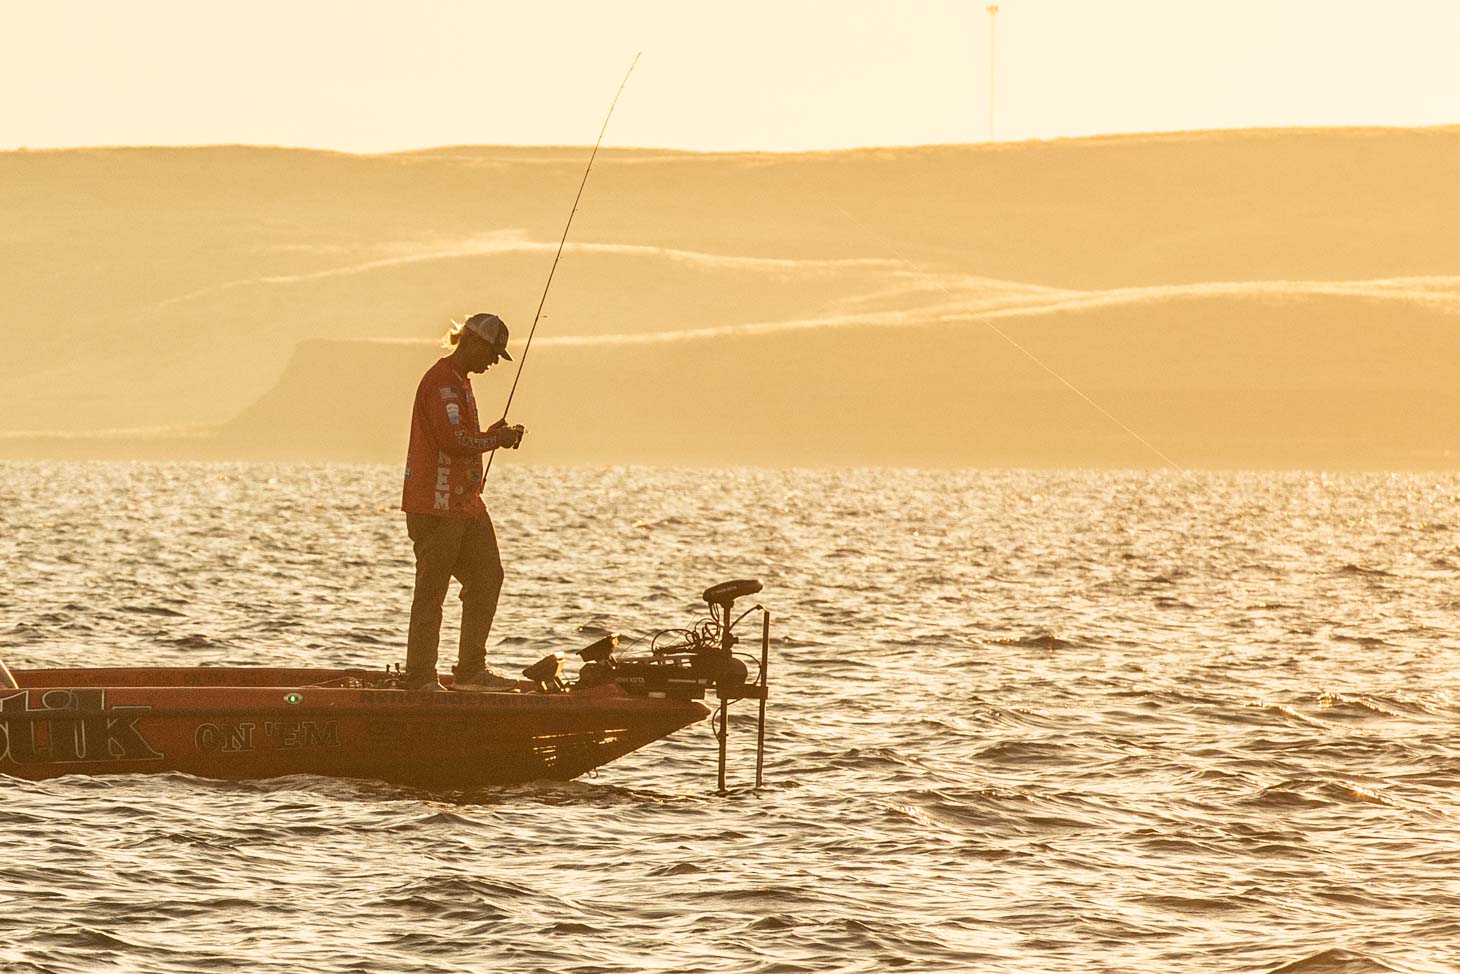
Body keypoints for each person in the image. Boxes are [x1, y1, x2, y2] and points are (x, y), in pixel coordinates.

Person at [400, 312, 527, 692]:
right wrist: (496, 440)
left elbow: (462, 437)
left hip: (465, 505)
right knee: (432, 591)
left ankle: (471, 670)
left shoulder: (460, 382)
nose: (493, 363)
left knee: (488, 577)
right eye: (491, 354)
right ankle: (420, 677)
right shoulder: (442, 383)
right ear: (470, 342)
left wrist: (489, 435)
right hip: (436, 506)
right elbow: (453, 441)